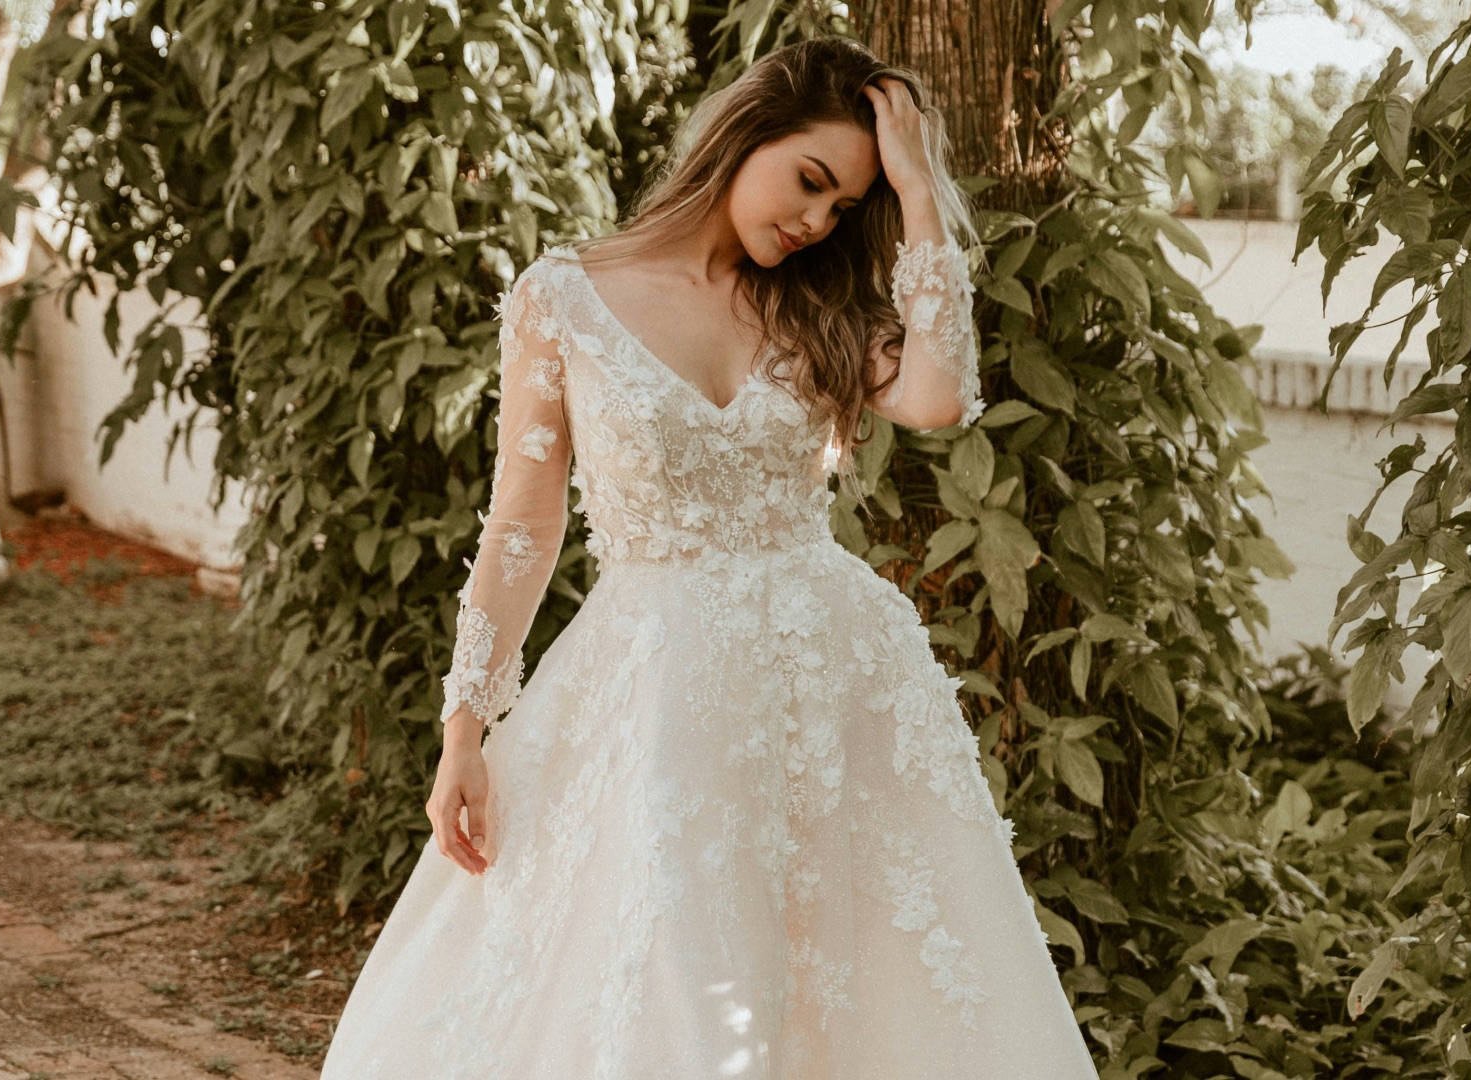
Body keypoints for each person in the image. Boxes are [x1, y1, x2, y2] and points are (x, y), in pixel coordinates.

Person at [318, 35, 1100, 1079]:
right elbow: (522, 524)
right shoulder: (564, 298)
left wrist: (915, 191)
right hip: (654, 691)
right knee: (671, 965)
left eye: (841, 208)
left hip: (831, 687)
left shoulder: (824, 307)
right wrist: (465, 726)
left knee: (853, 978)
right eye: (810, 181)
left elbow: (939, 396)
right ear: (745, 135)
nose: (815, 221)